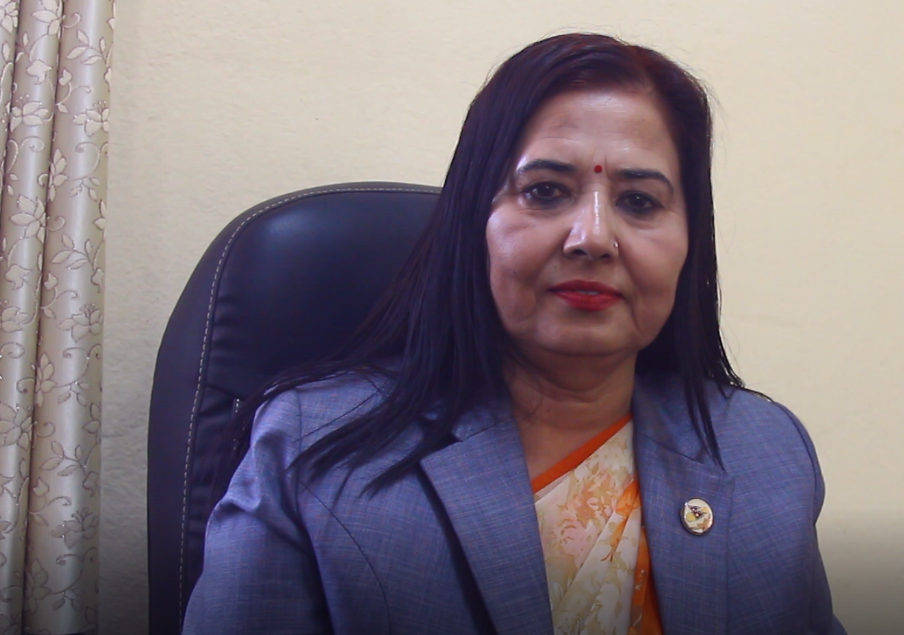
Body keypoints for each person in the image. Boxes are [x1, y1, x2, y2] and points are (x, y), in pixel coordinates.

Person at [183, 32, 846, 635]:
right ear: (474, 222)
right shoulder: (311, 453)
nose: (593, 237)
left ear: (689, 244)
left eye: (639, 201)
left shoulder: (763, 454)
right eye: (546, 191)